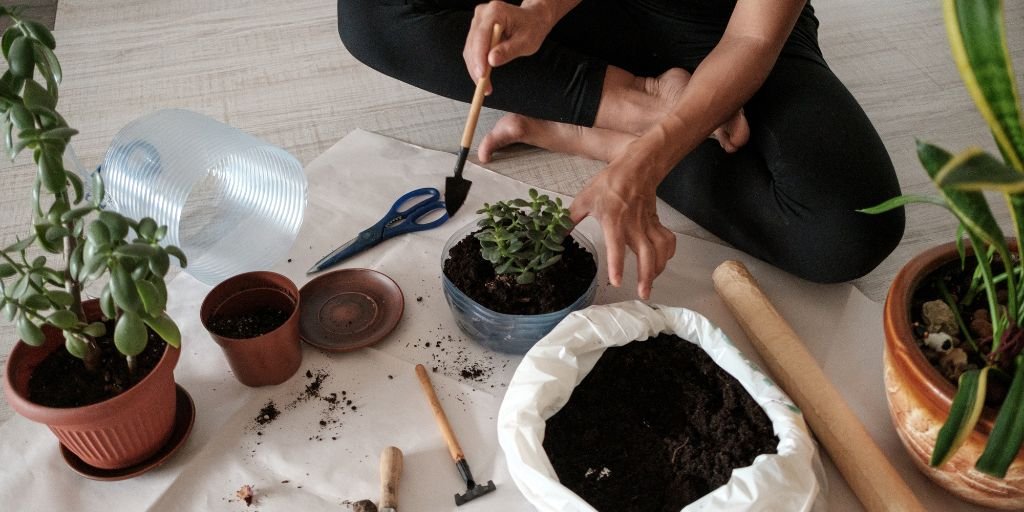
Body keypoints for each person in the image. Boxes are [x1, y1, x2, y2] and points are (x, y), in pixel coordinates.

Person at [337, 0, 905, 299]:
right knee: (372, 13)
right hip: (590, 12)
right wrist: (539, 11)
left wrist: (645, 161)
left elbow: (752, 37)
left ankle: (585, 130)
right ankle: (635, 103)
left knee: (847, 233)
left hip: (724, 28)